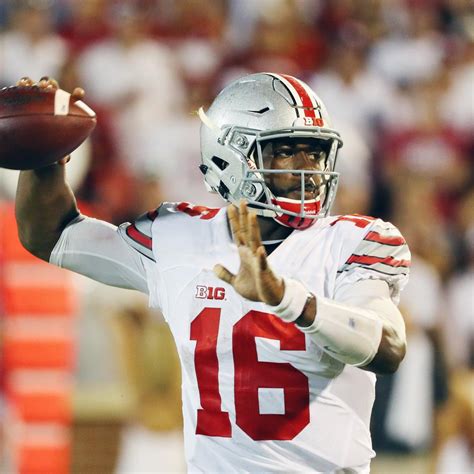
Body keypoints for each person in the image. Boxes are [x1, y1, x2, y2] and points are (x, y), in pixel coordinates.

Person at [14, 73, 409, 473]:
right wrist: (44, 153)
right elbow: (53, 235)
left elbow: (387, 346)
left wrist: (285, 298)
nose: (310, 168)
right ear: (230, 156)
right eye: (287, 151)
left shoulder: (353, 241)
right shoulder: (179, 236)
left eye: (316, 152)